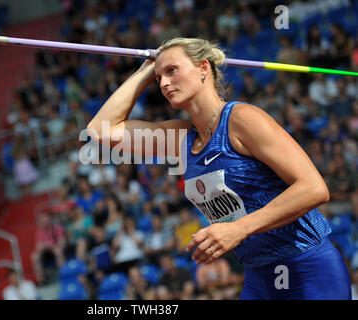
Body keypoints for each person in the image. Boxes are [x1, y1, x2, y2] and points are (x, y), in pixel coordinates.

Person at [87, 37, 351, 300]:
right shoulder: (181, 138)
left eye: (172, 70)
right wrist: (146, 69)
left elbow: (314, 189)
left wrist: (238, 228)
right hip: (259, 277)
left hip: (308, 268)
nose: (164, 83)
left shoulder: (242, 119)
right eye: (159, 79)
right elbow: (100, 130)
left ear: (203, 68)